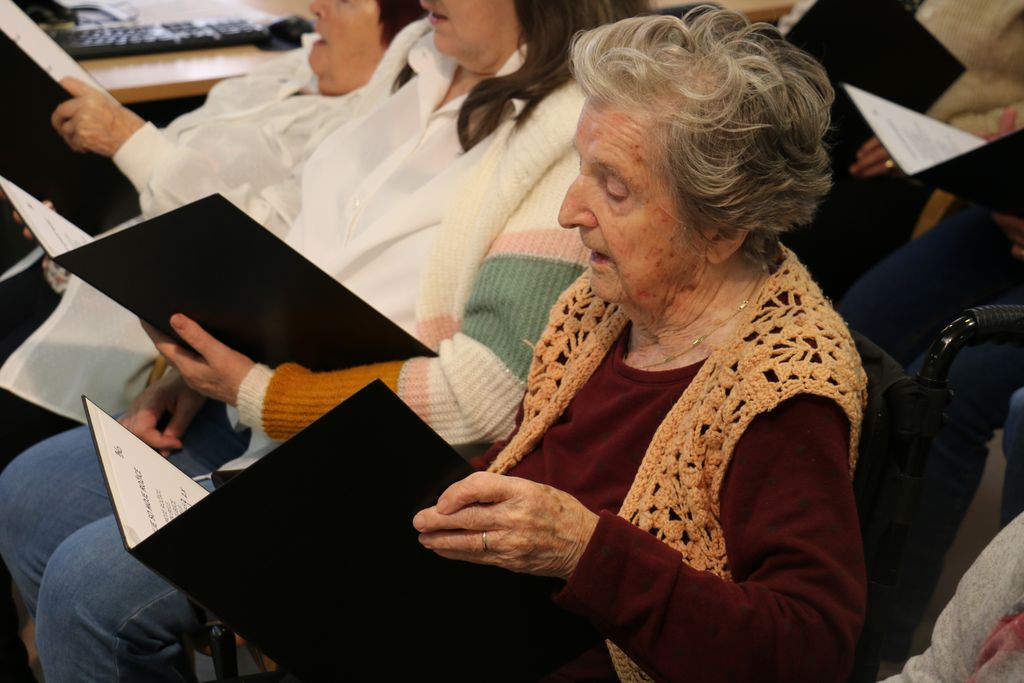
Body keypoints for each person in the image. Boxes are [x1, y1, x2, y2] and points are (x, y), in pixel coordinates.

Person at [0, 2, 648, 681]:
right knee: (27, 491)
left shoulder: (570, 133)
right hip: (273, 404)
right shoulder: (418, 55)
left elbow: (479, 394)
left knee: (86, 589)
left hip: (382, 460)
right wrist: (202, 366)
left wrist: (254, 390)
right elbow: (302, 246)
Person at [412, 10, 868, 681]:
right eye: (581, 168)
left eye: (615, 187)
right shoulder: (600, 303)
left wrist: (584, 551)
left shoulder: (781, 390)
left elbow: (806, 651)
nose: (569, 211)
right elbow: (525, 464)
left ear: (720, 229)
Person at [0, 3, 422, 681]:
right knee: (26, 490)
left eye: (348, 0)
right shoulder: (281, 73)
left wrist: (129, 140)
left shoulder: (377, 124)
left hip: (225, 357)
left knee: (83, 576)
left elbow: (258, 258)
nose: (317, 5)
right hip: (174, 325)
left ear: (409, 25)